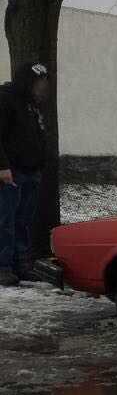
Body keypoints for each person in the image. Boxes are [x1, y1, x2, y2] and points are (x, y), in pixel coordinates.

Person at [0, 63, 51, 287]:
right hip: (11, 172)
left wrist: (40, 164)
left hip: (31, 172)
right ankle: (3, 267)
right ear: (27, 81)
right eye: (38, 82)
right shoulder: (6, 99)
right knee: (6, 221)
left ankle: (21, 265)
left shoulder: (33, 106)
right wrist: (2, 167)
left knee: (23, 221)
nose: (42, 87)